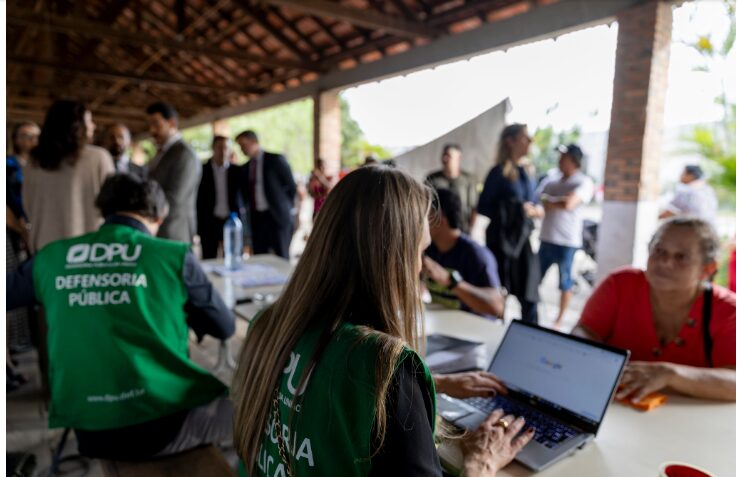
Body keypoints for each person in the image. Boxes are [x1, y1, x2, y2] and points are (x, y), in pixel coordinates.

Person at [231, 166, 533, 477]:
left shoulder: (266, 326)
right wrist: (481, 463)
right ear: (394, 258)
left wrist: (432, 385)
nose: (420, 267)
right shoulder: (387, 367)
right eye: (419, 251)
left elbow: (322, 376)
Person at [6, 173, 235, 459]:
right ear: (158, 216)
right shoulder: (172, 255)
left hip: (88, 428)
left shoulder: (53, 257)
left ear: (104, 210)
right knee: (254, 407)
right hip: (161, 425)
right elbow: (224, 326)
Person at [573, 217, 735, 401]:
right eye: (659, 251)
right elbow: (583, 331)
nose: (665, 262)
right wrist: (593, 357)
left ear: (708, 269)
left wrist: (671, 375)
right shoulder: (620, 285)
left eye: (681, 257)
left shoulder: (729, 311)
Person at [23, 100, 115, 253]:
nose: (93, 126)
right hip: (89, 252)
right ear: (76, 126)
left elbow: (28, 205)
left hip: (46, 250)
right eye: (89, 121)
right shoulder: (99, 158)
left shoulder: (33, 162)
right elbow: (113, 206)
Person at [477, 124, 543, 324]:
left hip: (522, 243)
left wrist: (534, 210)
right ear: (510, 141)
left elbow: (535, 204)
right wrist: (513, 208)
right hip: (501, 243)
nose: (530, 141)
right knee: (499, 294)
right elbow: (483, 207)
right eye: (525, 137)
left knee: (530, 299)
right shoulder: (498, 173)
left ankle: (530, 338)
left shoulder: (527, 173)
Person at [423, 188, 505, 319]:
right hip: (443, 325)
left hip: (475, 329)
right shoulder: (428, 249)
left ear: (440, 219)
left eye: (424, 215)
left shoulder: (476, 254)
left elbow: (497, 307)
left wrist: (450, 281)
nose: (419, 222)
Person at [538, 144, 594, 327]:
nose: (560, 160)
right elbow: (539, 197)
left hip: (567, 242)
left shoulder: (583, 182)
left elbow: (569, 204)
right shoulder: (551, 180)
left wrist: (551, 201)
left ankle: (559, 320)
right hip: (546, 238)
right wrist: (556, 200)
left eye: (565, 157)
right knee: (535, 278)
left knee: (565, 282)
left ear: (574, 161)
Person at [235, 130, 296, 259]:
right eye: (240, 146)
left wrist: (285, 208)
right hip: (257, 220)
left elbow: (291, 187)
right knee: (260, 258)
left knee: (282, 257)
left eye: (243, 145)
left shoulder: (275, 160)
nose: (242, 149)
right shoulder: (245, 168)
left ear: (254, 142)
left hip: (277, 218)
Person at [146, 102, 201, 244]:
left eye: (156, 124)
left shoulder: (184, 154)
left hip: (174, 232)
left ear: (172, 123)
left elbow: (176, 198)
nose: (152, 130)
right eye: (149, 125)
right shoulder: (162, 153)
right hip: (159, 230)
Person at [197, 135, 240, 259]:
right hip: (209, 222)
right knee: (209, 257)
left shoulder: (237, 171)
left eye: (226, 148)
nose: (223, 151)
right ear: (213, 148)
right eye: (219, 147)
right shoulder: (201, 171)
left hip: (231, 220)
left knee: (232, 257)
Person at [425, 143, 478, 233]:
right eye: (444, 155)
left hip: (462, 230)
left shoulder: (468, 180)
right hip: (438, 231)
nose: (445, 158)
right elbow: (426, 205)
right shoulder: (432, 179)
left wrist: (471, 229)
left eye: (449, 156)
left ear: (459, 158)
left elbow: (474, 207)